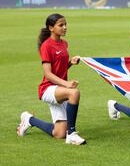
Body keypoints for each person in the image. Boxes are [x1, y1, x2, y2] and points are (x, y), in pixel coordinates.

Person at [17, 13, 86, 144]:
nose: (65, 27)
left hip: (59, 88)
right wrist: (66, 83)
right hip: (48, 89)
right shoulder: (46, 46)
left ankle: (29, 119)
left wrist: (71, 62)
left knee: (59, 134)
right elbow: (48, 74)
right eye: (61, 25)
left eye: (65, 24)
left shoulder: (64, 43)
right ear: (51, 28)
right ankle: (72, 133)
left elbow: (60, 67)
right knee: (74, 93)